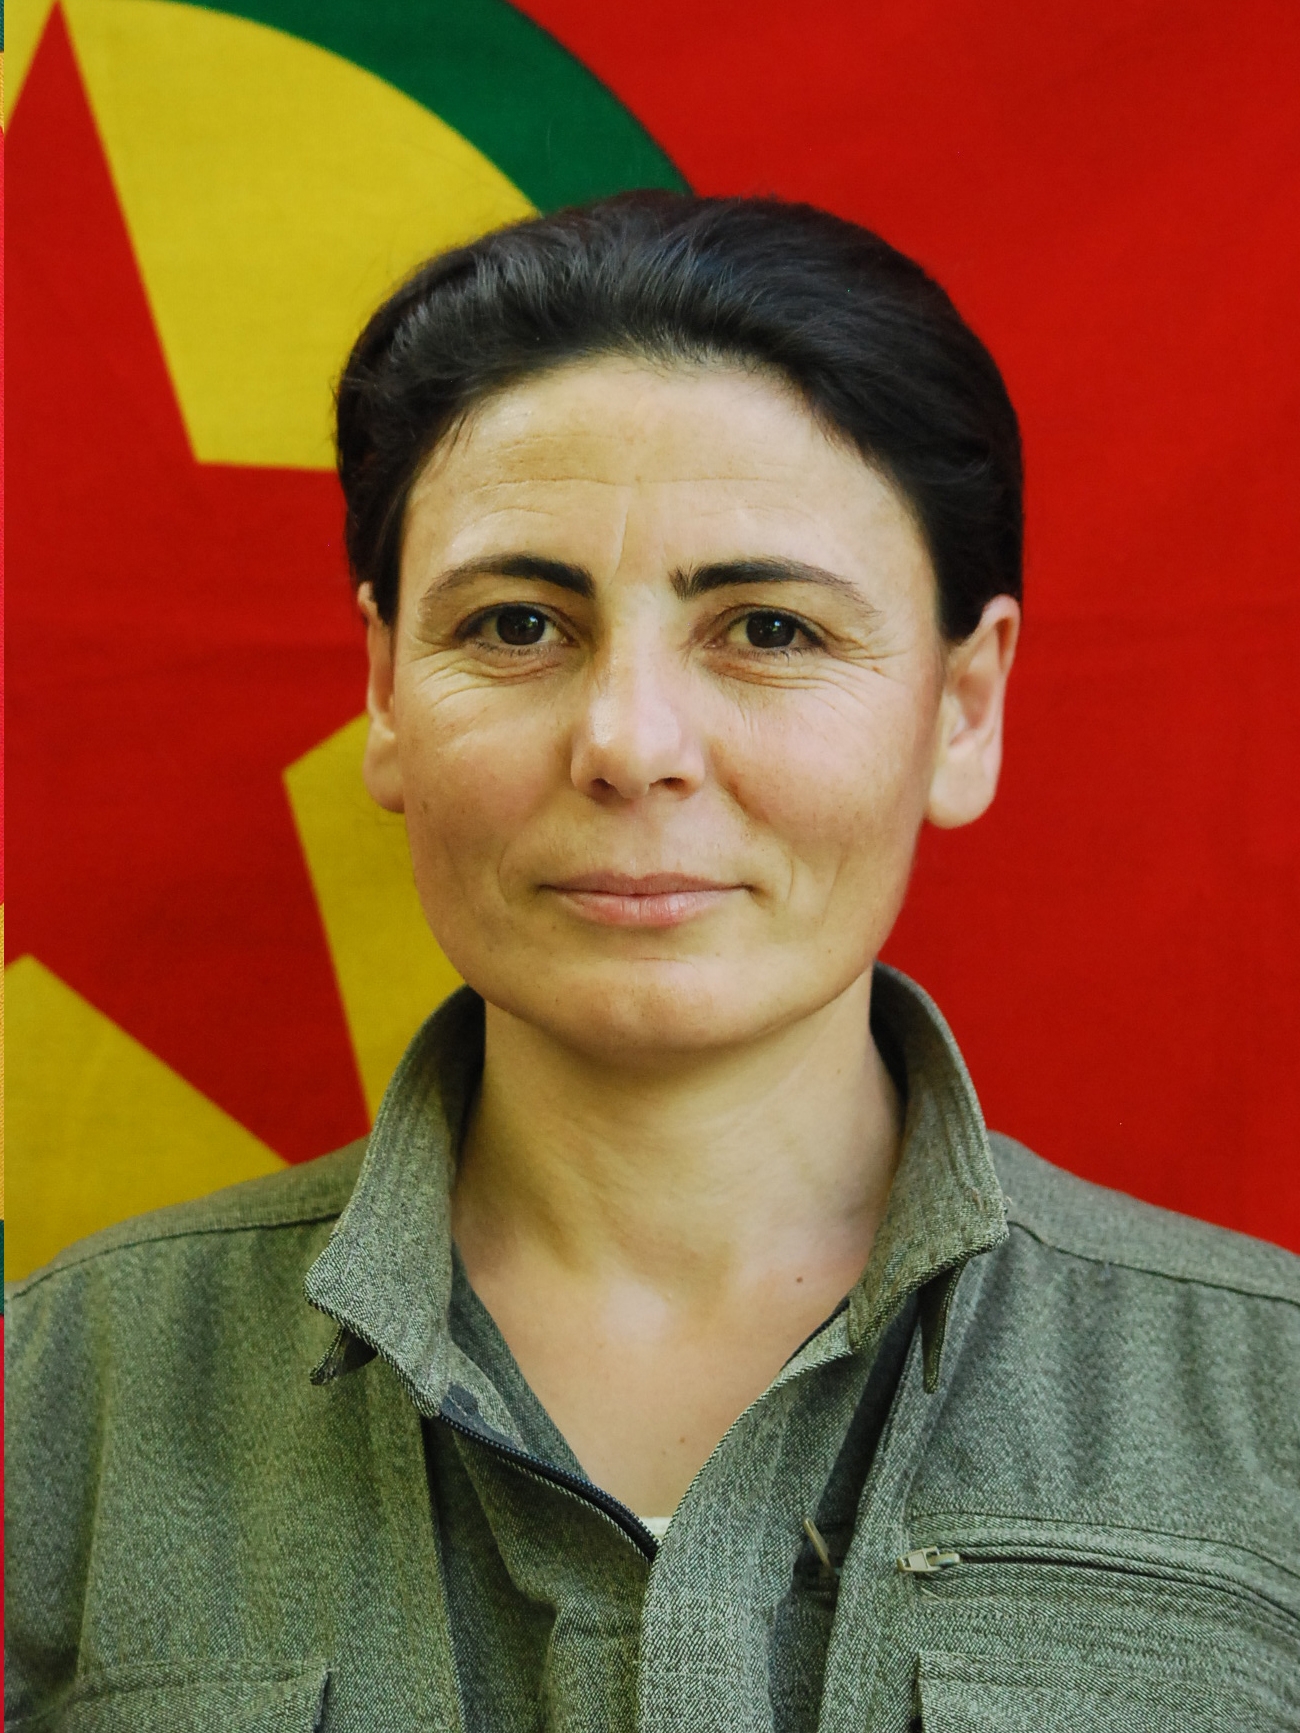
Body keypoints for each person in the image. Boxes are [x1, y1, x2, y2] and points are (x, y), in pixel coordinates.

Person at [5, 195, 1297, 1733]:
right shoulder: (57, 1397)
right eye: (518, 623)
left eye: (770, 628)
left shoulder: (1270, 1398)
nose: (628, 741)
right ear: (387, 693)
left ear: (964, 707)